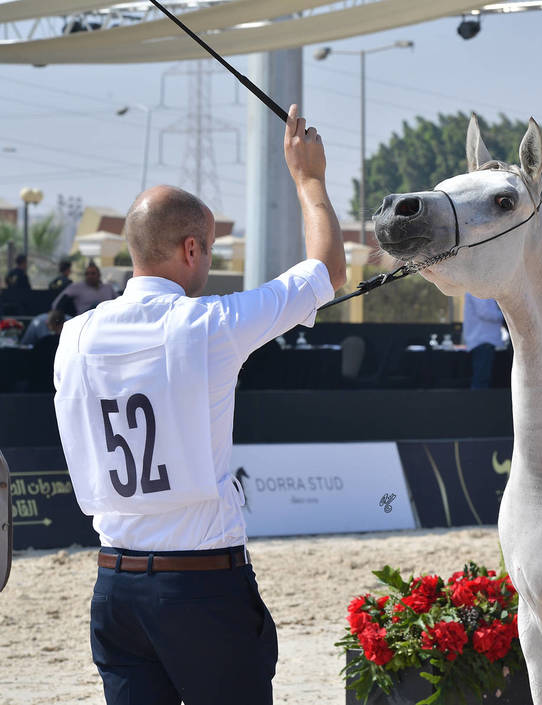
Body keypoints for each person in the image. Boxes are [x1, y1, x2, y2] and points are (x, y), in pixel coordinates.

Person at [52, 104, 345, 705]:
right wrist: (308, 179)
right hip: (201, 587)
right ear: (191, 248)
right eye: (208, 251)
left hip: (115, 587)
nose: (208, 264)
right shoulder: (208, 325)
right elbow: (326, 270)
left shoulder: (74, 336)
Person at [462, 292, 505, 389]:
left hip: (484, 340)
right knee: (481, 381)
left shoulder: (478, 288)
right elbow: (484, 312)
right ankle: (477, 399)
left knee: (483, 379)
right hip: (482, 341)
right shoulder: (476, 288)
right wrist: (506, 314)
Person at [51, 260, 116, 316]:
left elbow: (120, 301)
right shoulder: (76, 287)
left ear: (99, 275)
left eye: (93, 273)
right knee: (96, 306)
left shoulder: (108, 288)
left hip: (108, 318)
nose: (90, 276)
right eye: (87, 274)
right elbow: (57, 304)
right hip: (87, 319)